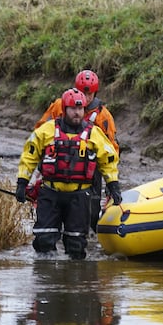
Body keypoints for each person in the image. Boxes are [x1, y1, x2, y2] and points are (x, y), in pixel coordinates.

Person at [16, 88, 121, 260]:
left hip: (79, 196)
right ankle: (47, 281)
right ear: (65, 109)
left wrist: (113, 186)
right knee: (44, 241)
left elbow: (109, 161)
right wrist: (22, 183)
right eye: (73, 109)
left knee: (76, 246)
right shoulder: (46, 131)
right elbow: (29, 155)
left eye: (80, 109)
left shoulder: (94, 134)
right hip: (51, 193)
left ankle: (74, 280)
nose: (77, 113)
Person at [35, 70, 120, 232]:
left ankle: (86, 235)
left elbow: (111, 148)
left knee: (91, 209)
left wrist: (112, 182)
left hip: (89, 169)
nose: (86, 98)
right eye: (83, 93)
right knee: (52, 203)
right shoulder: (59, 106)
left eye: (90, 94)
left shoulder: (103, 116)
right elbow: (41, 130)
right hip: (58, 164)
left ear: (95, 93)